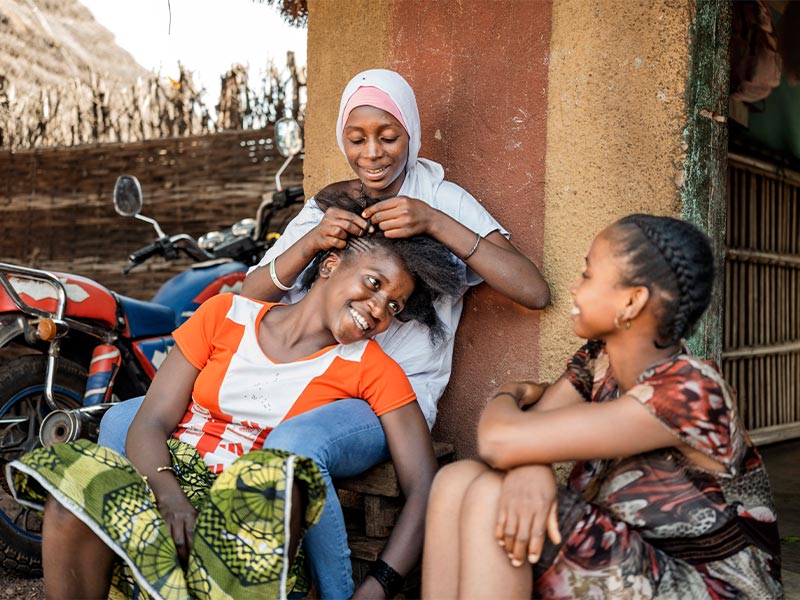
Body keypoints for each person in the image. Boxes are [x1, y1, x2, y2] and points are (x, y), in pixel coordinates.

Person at [99, 68, 550, 597]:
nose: (373, 153)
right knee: (123, 420)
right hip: (302, 377)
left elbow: (534, 291)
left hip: (383, 396)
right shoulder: (329, 204)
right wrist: (311, 241)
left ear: (412, 134)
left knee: (296, 446)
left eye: (389, 136)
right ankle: (154, 568)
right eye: (357, 139)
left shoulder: (443, 199)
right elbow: (251, 296)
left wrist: (434, 223)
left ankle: (339, 591)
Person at [7, 231, 460, 600]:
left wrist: (378, 586)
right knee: (73, 486)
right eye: (375, 284)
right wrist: (170, 497)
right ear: (330, 265)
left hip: (249, 522)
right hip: (171, 492)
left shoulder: (375, 369)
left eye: (394, 307)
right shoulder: (224, 315)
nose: (379, 310)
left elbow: (423, 483)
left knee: (277, 474)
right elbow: (149, 421)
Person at [423, 214, 783, 599]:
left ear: (631, 301)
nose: (575, 289)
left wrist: (508, 393)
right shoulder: (599, 361)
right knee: (457, 479)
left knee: (492, 498)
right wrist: (534, 466)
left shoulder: (690, 391)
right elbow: (522, 439)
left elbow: (501, 440)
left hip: (710, 589)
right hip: (633, 562)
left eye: (588, 275)